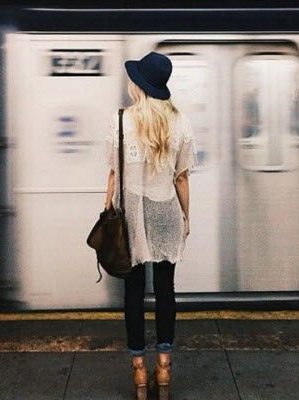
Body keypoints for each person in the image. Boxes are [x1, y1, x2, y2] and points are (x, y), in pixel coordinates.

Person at [103, 52, 196, 400]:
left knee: (133, 293)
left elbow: (113, 173)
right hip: (166, 213)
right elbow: (182, 179)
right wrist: (187, 217)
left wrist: (106, 209)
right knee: (166, 291)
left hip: (129, 217)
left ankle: (140, 375)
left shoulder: (120, 121)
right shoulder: (181, 122)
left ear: (140, 85)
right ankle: (164, 369)